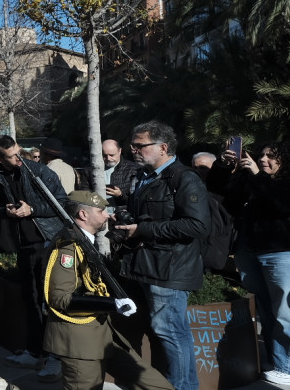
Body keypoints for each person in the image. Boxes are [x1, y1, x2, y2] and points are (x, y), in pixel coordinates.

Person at [208, 142, 290, 386]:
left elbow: (287, 204)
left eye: (272, 156)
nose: (264, 159)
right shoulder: (252, 179)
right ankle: (279, 361)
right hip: (250, 252)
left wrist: (259, 176)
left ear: (287, 161)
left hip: (283, 253)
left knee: (288, 312)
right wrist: (224, 165)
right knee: (266, 310)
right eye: (262, 155)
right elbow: (219, 190)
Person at [114, 120, 209, 390]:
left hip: (169, 269)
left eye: (140, 145)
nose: (133, 149)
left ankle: (183, 387)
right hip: (147, 265)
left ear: (163, 147)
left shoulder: (184, 178)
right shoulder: (144, 176)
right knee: (162, 332)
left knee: (172, 333)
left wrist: (142, 229)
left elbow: (197, 225)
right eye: (133, 145)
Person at [43, 190, 171, 390]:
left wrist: (125, 241)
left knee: (156, 385)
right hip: (80, 341)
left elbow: (102, 277)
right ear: (83, 215)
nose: (107, 215)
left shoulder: (86, 241)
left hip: (105, 334)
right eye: (100, 211)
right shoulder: (68, 247)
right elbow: (60, 298)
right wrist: (112, 304)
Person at [0, 134, 69, 379]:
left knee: (49, 301)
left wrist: (32, 209)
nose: (19, 158)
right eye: (12, 156)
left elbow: (62, 203)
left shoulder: (39, 171)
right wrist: (6, 211)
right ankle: (34, 352)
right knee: (30, 299)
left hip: (47, 242)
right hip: (21, 245)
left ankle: (55, 358)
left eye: (19, 151)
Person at [101, 139, 140, 204]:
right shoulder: (90, 170)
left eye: (112, 155)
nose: (108, 158)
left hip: (122, 208)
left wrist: (120, 195)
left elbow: (137, 198)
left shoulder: (134, 170)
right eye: (105, 155)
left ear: (120, 151)